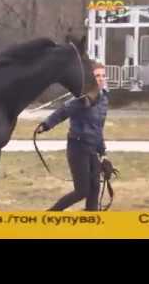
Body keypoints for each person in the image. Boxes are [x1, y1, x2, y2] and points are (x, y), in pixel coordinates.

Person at [37, 62, 109, 211]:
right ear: (90, 78)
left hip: (94, 149)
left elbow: (98, 128)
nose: (101, 79)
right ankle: (49, 215)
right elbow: (64, 111)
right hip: (78, 147)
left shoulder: (104, 99)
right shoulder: (82, 98)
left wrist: (103, 152)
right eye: (97, 76)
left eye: (103, 75)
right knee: (82, 191)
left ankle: (91, 222)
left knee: (95, 187)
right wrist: (46, 125)